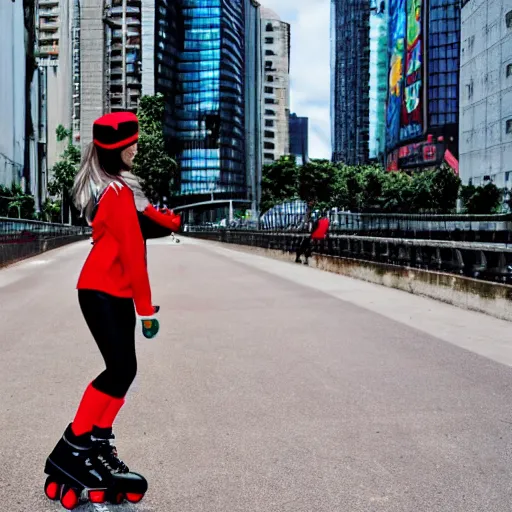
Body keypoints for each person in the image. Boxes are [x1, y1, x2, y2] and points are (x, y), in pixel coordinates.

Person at [44, 112, 179, 509]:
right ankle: (73, 449)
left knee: (126, 370)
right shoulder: (117, 195)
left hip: (110, 291)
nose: (136, 149)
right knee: (118, 370)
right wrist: (147, 309)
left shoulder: (119, 190)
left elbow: (153, 228)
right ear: (117, 149)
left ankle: (97, 445)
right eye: (131, 144)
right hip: (102, 290)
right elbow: (134, 254)